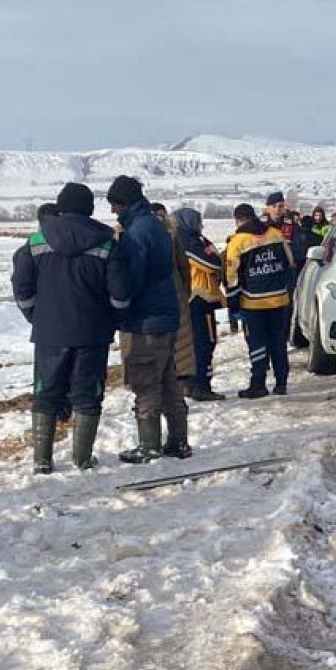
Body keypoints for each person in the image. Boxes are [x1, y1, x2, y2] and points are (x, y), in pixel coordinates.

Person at [11, 183, 131, 473]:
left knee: (46, 394)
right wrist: (112, 321)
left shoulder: (36, 241)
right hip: (92, 334)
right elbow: (120, 295)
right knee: (87, 396)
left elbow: (21, 287)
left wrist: (35, 316)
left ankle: (42, 461)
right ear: (90, 208)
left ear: (60, 205)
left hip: (49, 334)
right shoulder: (107, 244)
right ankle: (81, 458)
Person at [106, 175, 191, 462]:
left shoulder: (136, 234)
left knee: (145, 382)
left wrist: (120, 308)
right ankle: (179, 441)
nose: (113, 213)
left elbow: (133, 279)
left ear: (122, 203)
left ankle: (149, 445)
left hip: (145, 320)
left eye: (114, 206)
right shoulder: (156, 225)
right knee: (169, 381)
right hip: (166, 315)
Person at [225, 203, 295, 398]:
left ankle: (258, 384)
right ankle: (281, 383)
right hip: (279, 300)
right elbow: (290, 263)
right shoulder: (275, 234)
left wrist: (233, 305)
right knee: (278, 342)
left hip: (253, 303)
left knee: (257, 344)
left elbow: (232, 277)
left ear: (237, 219)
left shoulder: (237, 242)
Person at [172, 208, 226, 401]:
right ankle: (201, 385)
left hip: (198, 298)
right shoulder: (187, 240)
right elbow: (212, 262)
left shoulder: (194, 238)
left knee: (196, 344)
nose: (201, 225)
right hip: (199, 298)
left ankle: (193, 383)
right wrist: (214, 256)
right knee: (204, 344)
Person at [150, 202, 196, 387]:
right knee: (178, 348)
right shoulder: (172, 235)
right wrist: (184, 292)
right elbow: (184, 266)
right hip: (175, 294)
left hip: (149, 303)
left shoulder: (133, 235)